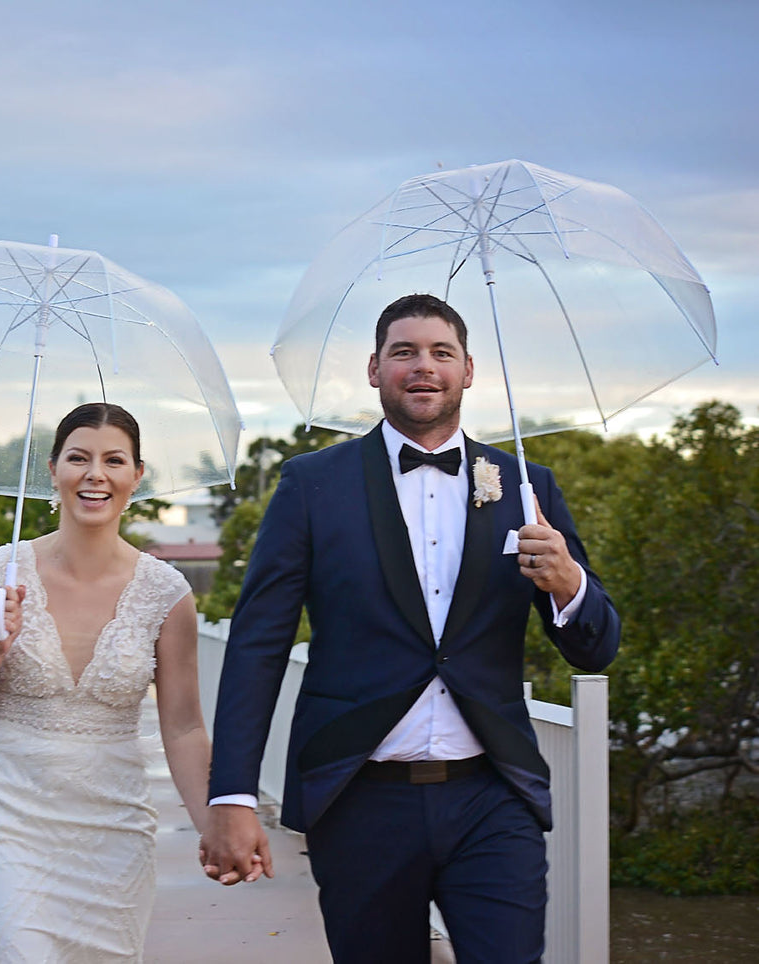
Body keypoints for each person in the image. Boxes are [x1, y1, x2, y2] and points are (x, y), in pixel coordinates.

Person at [203, 294, 621, 963]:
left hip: (493, 798)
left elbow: (593, 647)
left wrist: (569, 585)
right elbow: (257, 646)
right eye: (403, 352)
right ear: (374, 369)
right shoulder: (311, 485)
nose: (422, 367)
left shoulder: (523, 483)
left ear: (468, 369)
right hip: (359, 799)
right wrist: (231, 795)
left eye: (439, 352)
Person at [0, 402, 213, 962]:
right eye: (78, 458)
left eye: (113, 460)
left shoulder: (167, 593)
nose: (95, 474)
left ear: (137, 475)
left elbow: (183, 728)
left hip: (114, 834)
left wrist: (216, 824)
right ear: (53, 470)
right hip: (7, 821)